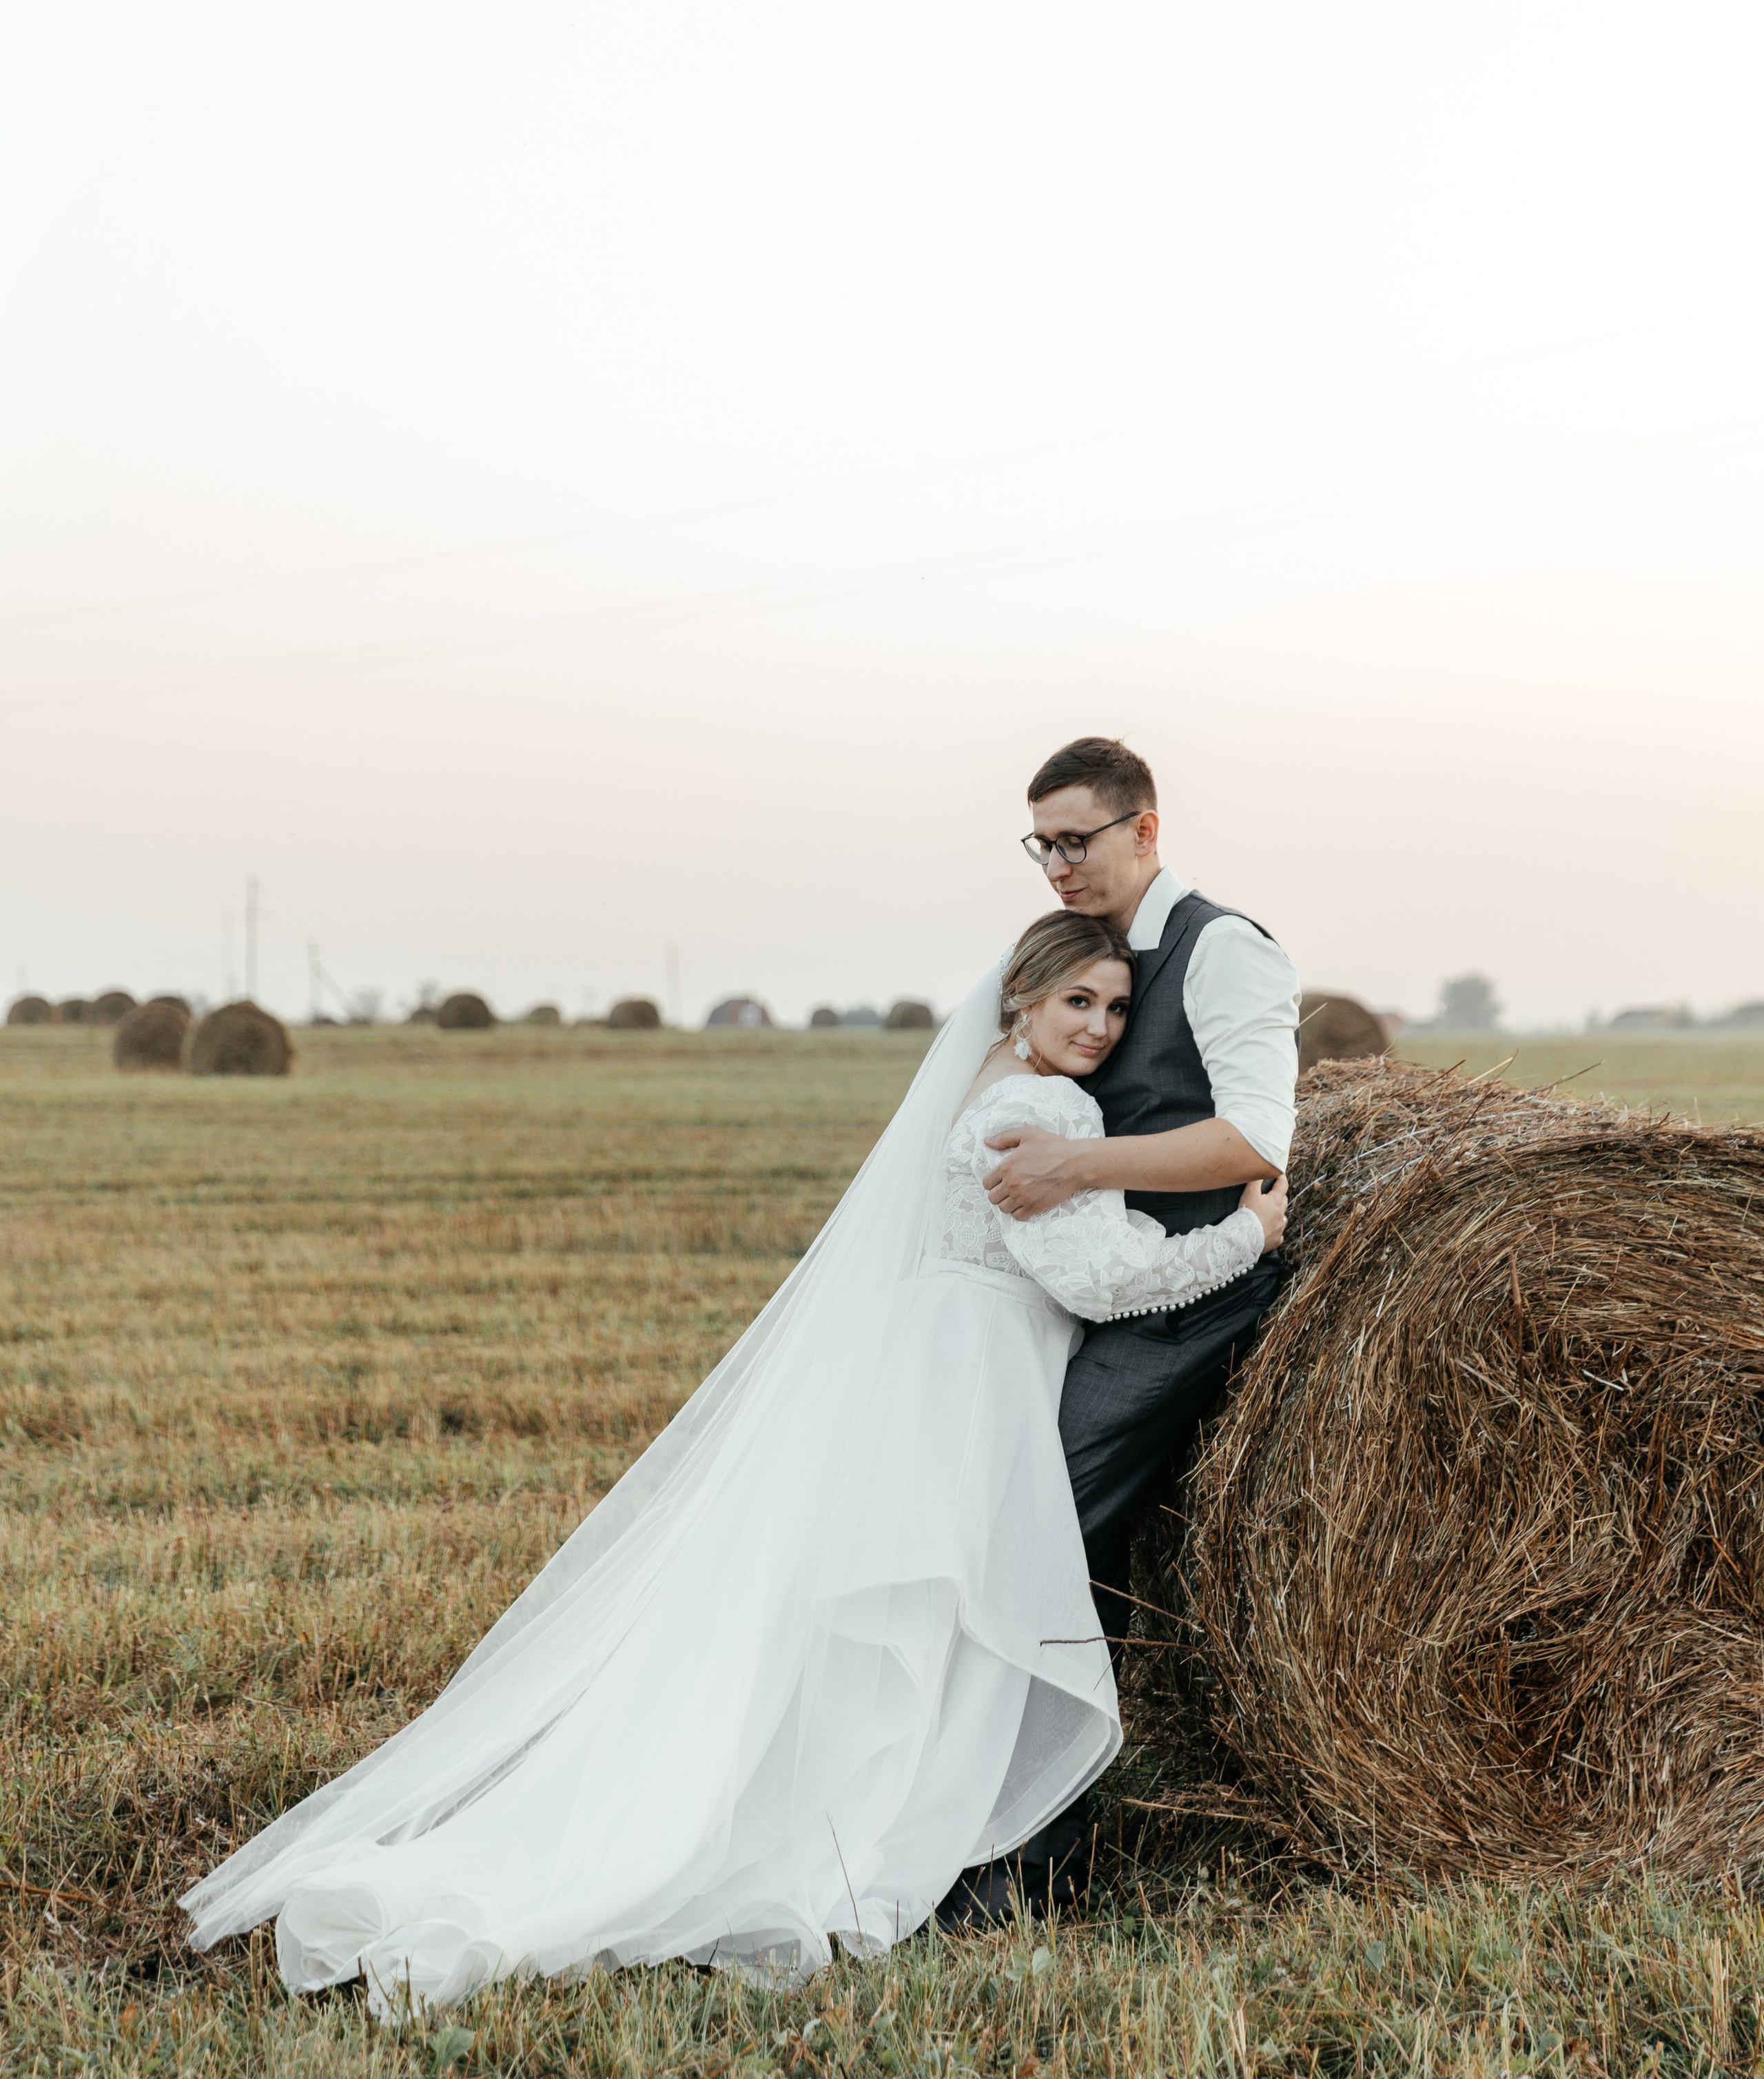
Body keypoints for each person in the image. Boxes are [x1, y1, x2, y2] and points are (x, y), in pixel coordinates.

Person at [181, 911, 1284, 2017]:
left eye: (1114, 1007)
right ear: (1020, 1004)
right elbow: (1098, 1281)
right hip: (976, 1379)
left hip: (935, 1362)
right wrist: (1244, 1238)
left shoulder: (994, 1079)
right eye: (1074, 1003)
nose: (1097, 1027)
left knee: (910, 1620)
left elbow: (1079, 1250)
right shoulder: (1045, 1106)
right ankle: (877, 1834)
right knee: (950, 1618)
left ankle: (872, 1811)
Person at [944, 735, 1299, 1928]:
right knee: (1030, 1534)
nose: (1056, 863)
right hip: (1114, 1282)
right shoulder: (1097, 961)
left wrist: (1074, 1163)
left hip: (1194, 1294)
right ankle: (1013, 1835)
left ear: (1146, 830)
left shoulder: (1226, 953)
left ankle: (1031, 1870)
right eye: (1041, 843)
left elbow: (1257, 1141)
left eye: (1078, 839)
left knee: (1044, 1529)